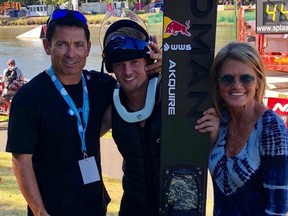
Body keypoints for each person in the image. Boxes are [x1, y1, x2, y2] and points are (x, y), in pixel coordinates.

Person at [99, 9, 219, 216]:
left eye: (135, 62)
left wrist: (175, 70)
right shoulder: (112, 111)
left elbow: (229, 88)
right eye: (120, 65)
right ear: (111, 67)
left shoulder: (179, 98)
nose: (127, 72)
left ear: (149, 60)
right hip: (132, 209)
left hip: (178, 208)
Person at [5, 9, 117, 216]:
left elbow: (137, 87)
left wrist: (159, 68)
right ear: (47, 46)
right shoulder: (29, 98)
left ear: (88, 48)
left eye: (78, 45)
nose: (71, 53)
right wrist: (40, 212)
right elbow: (21, 161)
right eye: (62, 44)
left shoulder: (102, 85)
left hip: (95, 208)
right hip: (52, 209)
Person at [205, 42, 288, 215]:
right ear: (218, 85)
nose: (236, 85)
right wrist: (211, 141)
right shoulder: (220, 122)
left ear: (257, 82)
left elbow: (278, 207)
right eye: (227, 78)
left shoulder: (271, 128)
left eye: (246, 78)